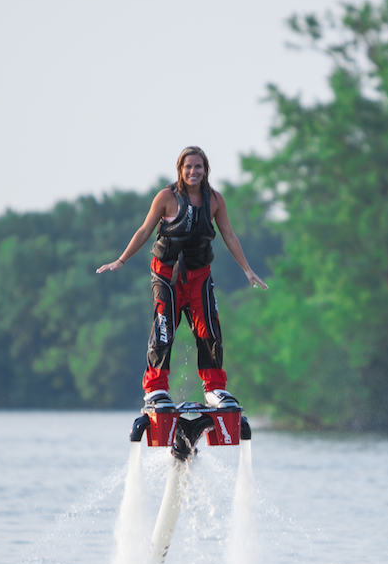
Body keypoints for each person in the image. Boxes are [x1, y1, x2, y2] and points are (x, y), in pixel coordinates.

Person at [97, 146, 267, 410]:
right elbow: (144, 230)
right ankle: (155, 389)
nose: (193, 171)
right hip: (167, 275)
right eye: (188, 167)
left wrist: (247, 269)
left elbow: (229, 236)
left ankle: (214, 389)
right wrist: (121, 260)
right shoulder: (166, 197)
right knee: (164, 329)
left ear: (205, 169)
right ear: (180, 169)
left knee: (209, 330)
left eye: (198, 166)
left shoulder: (215, 200)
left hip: (199, 276)